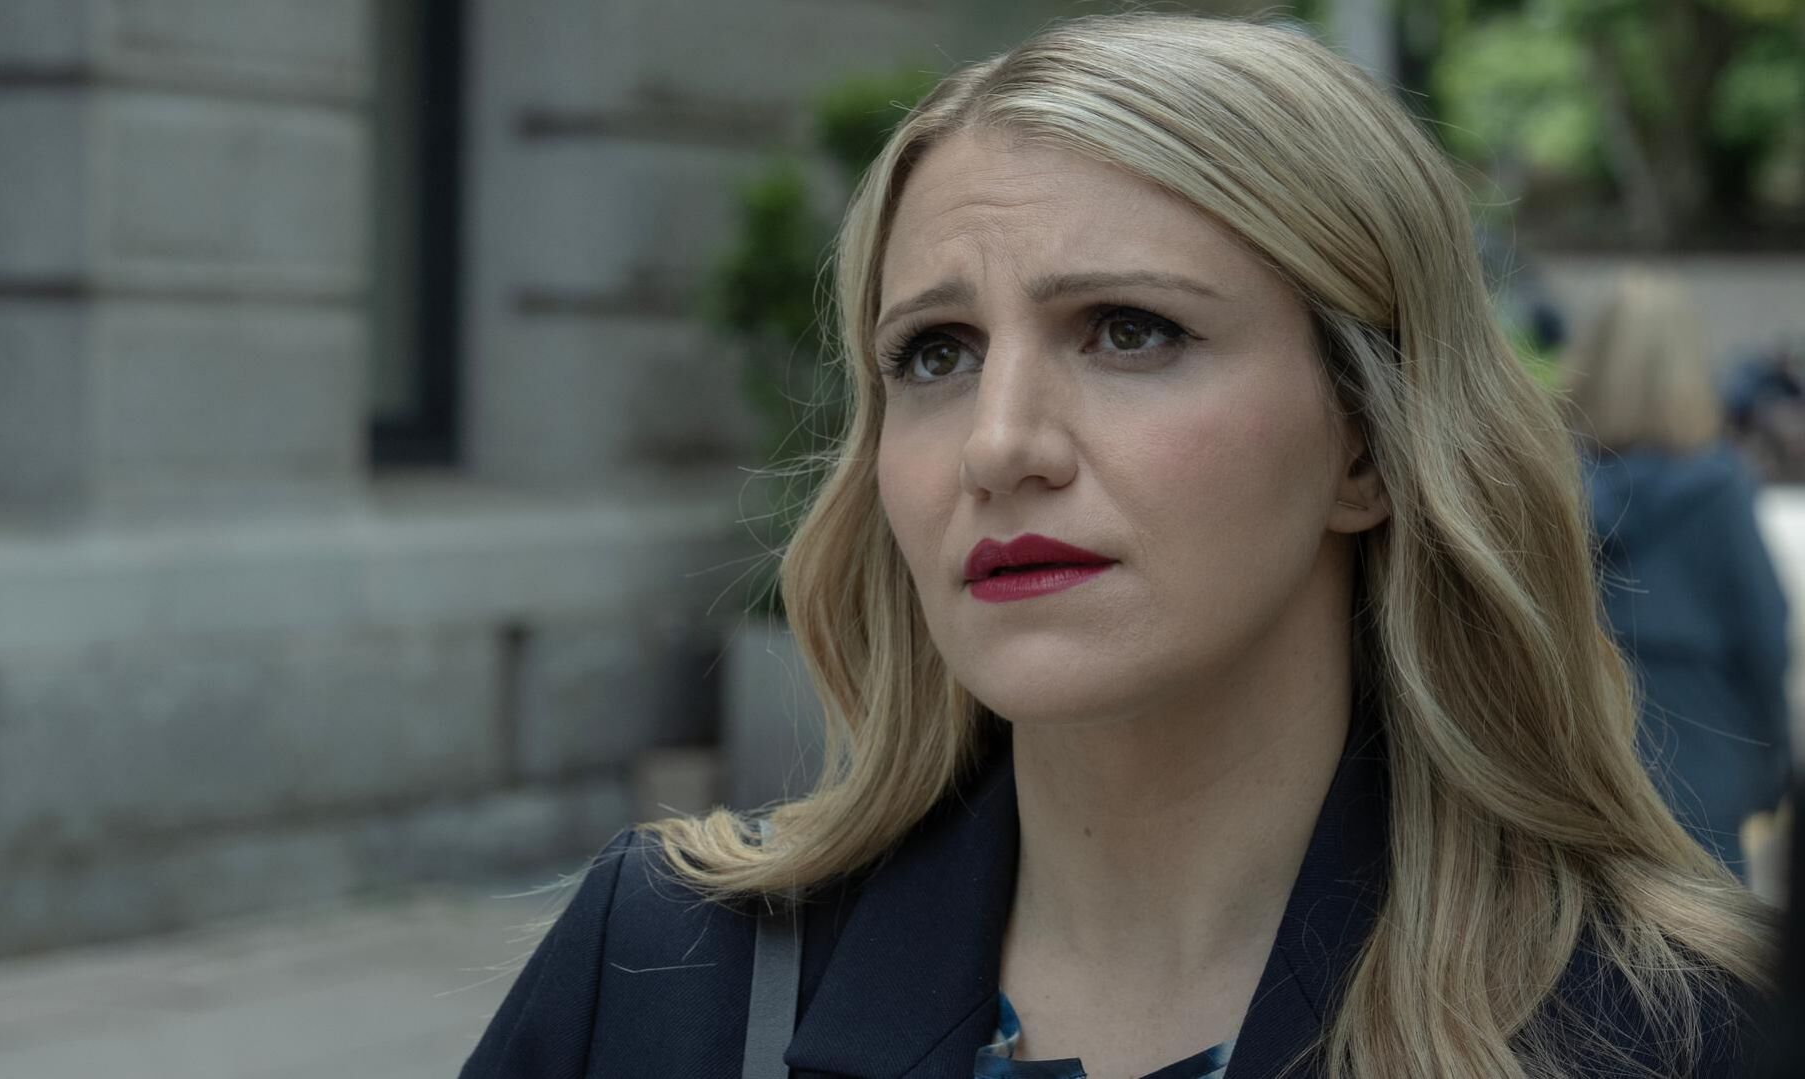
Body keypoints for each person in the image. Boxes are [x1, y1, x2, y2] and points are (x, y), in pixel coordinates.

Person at [460, 15, 1772, 1078]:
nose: (997, 443)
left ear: (1367, 444)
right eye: (934, 353)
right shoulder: (667, 972)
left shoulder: (1681, 1031)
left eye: (1128, 330)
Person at [1563, 271, 1793, 878]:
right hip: (1703, 780)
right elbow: (1765, 641)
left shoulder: (1554, 490)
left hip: (1582, 780)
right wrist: (1772, 768)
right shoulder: (1718, 491)